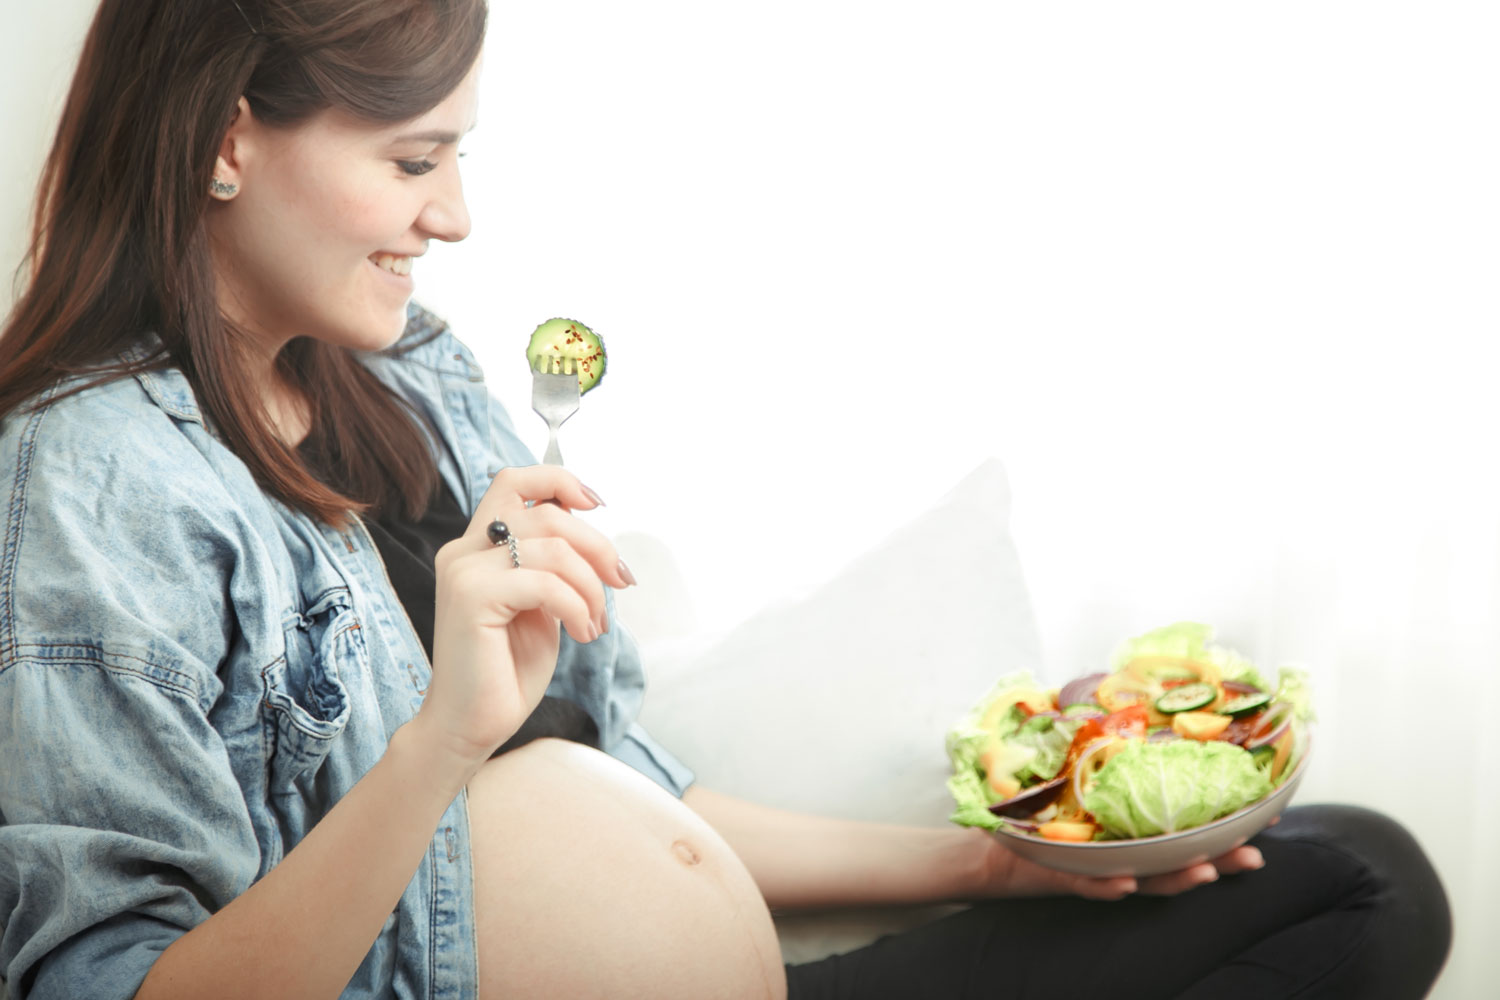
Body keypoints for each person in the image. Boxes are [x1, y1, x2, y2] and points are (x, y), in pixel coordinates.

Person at [0, 1, 1452, 998]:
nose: (455, 218)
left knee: (1358, 876)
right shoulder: (95, 483)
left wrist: (1002, 866)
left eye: (459, 158)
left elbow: (646, 793)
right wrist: (442, 739)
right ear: (225, 141)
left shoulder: (416, 381)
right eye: (413, 160)